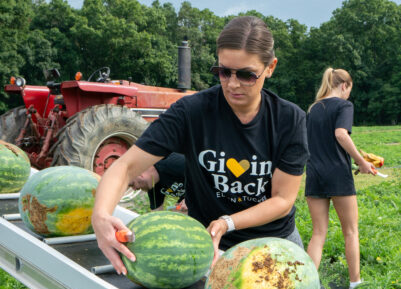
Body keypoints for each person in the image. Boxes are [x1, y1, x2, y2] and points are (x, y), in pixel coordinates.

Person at [91, 16, 309, 275]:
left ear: (270, 67)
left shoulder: (289, 120)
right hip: (207, 243)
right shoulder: (191, 111)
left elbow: (283, 199)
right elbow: (126, 166)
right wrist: (101, 215)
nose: (232, 83)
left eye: (247, 75)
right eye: (224, 72)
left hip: (273, 243)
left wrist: (228, 222)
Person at [304, 68, 375, 289]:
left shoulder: (313, 108)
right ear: (344, 85)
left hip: (314, 172)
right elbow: (341, 134)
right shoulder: (344, 106)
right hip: (337, 174)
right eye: (349, 90)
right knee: (351, 231)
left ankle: (306, 285)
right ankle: (355, 285)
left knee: (318, 233)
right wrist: (362, 162)